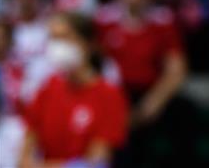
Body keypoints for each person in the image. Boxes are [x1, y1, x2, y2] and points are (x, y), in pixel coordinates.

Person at [94, 0, 193, 168]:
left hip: (152, 92)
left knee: (185, 112)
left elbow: (176, 68)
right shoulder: (103, 20)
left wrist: (153, 103)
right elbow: (94, 65)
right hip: (115, 93)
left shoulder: (163, 21)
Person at [19, 12, 128, 167]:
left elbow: (96, 163)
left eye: (65, 37)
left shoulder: (109, 95)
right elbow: (23, 159)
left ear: (88, 44)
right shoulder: (47, 88)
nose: (57, 46)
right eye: (53, 39)